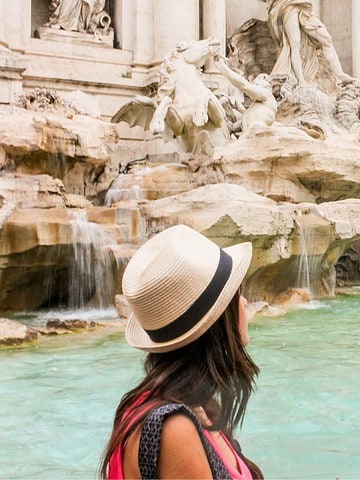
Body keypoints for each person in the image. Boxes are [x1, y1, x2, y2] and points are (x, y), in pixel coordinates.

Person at [101, 224, 263, 479]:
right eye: (237, 294)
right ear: (218, 322)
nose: (244, 302)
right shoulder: (174, 428)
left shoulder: (198, 407)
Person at [262, 0, 353, 86]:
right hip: (287, 6)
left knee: (326, 39)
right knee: (295, 44)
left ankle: (339, 75)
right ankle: (301, 81)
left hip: (304, 7)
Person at [214, 56, 277, 132]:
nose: (254, 82)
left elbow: (245, 86)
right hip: (247, 138)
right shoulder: (253, 109)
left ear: (267, 86)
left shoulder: (267, 94)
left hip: (258, 135)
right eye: (254, 82)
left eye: (259, 80)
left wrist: (222, 67)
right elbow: (233, 127)